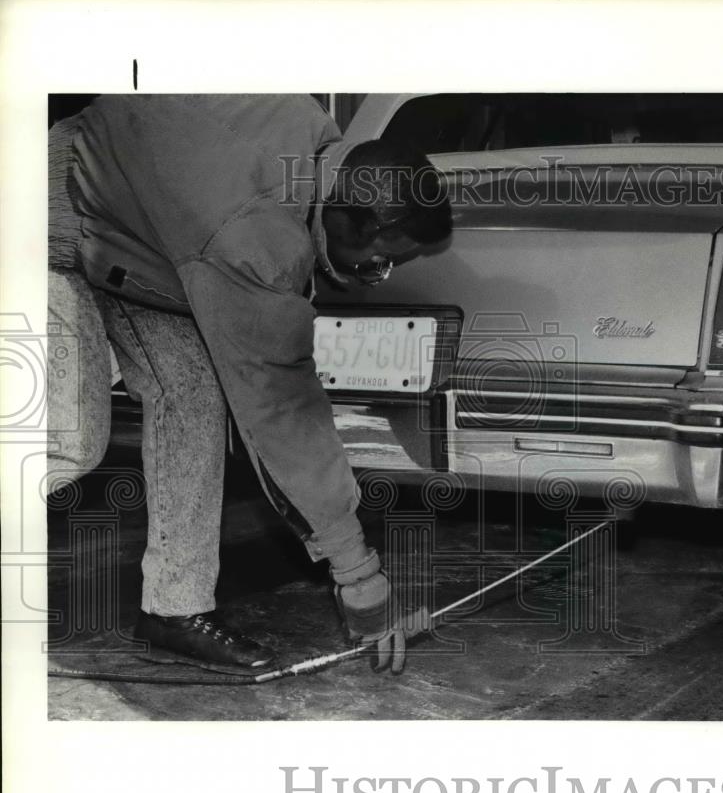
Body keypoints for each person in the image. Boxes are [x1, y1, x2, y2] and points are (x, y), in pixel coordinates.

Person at [47, 95, 452, 674]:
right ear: (344, 218)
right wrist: (359, 575)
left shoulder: (314, 137)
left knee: (191, 398)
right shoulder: (254, 242)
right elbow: (281, 410)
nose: (373, 279)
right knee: (68, 439)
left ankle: (173, 609)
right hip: (47, 216)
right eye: (379, 262)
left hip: (141, 227)